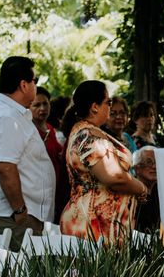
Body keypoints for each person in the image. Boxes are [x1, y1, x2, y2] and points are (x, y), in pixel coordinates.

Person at [0, 56, 55, 251]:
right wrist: (19, 210)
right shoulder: (6, 116)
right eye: (34, 81)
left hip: (13, 215)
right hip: (11, 216)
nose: (36, 85)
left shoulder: (10, 112)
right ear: (23, 85)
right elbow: (5, 167)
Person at [60, 80, 148, 243]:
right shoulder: (89, 137)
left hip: (98, 222)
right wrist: (140, 187)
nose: (110, 107)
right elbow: (114, 177)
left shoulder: (85, 131)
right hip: (94, 225)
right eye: (107, 102)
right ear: (94, 107)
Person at [29, 86, 62, 177]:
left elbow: (58, 151)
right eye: (37, 105)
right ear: (28, 107)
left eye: (45, 104)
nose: (42, 108)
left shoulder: (50, 127)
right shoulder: (28, 130)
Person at [133, 146, 159, 232]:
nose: (154, 167)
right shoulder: (131, 191)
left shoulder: (160, 190)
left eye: (157, 162)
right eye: (149, 162)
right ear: (137, 169)